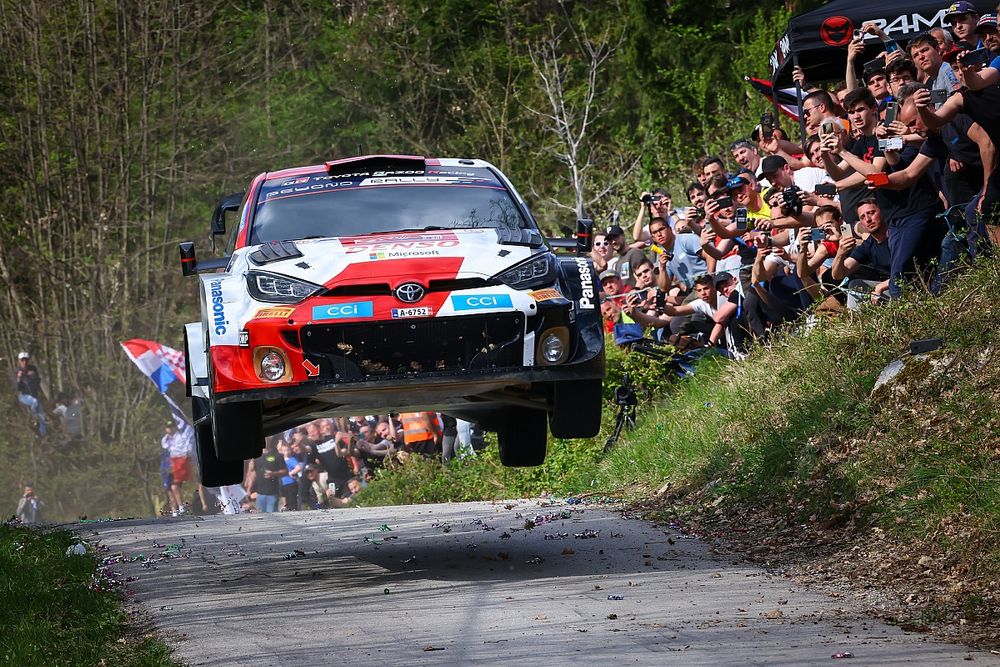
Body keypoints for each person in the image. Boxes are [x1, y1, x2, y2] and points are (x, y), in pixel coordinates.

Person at [161, 419, 195, 516]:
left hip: (177, 464)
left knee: (175, 486)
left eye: (171, 427)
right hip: (166, 465)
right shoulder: (165, 439)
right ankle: (174, 510)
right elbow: (165, 449)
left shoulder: (179, 437)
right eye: (168, 427)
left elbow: (183, 450)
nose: (170, 429)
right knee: (169, 489)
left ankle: (181, 506)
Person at [14, 351, 46, 436]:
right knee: (34, 401)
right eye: (22, 360)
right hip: (24, 396)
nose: (24, 362)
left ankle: (43, 434)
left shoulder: (33, 369)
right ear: (19, 361)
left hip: (35, 394)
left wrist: (34, 375)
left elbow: (38, 381)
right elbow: (17, 388)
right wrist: (19, 378)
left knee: (42, 415)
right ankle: (33, 419)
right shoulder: (17, 371)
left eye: (26, 360)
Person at [251, 438, 286, 513]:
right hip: (259, 493)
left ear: (269, 441)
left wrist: (273, 474)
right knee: (262, 517)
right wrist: (249, 489)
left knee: (273, 515)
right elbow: (252, 473)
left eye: (266, 439)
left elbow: (285, 471)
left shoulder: (277, 455)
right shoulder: (256, 456)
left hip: (272, 492)